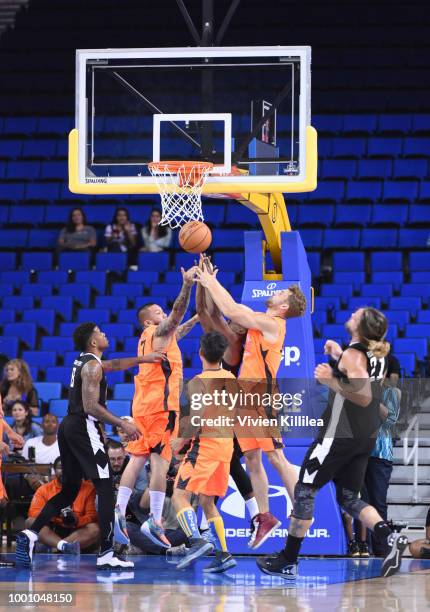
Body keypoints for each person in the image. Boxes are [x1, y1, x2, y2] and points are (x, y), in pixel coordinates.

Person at [257, 307, 409, 581]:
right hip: (364, 436)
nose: (352, 313)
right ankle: (388, 537)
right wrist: (339, 357)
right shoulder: (374, 356)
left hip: (339, 434)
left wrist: (331, 380)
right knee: (349, 497)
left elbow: (363, 396)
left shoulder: (356, 355)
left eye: (356, 314)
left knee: (304, 488)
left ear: (361, 327)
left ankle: (288, 559)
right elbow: (363, 379)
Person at [15, 321, 165, 569]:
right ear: (94, 341)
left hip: (70, 426)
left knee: (69, 490)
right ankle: (107, 553)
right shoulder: (92, 366)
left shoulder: (85, 361)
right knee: (105, 488)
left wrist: (144, 359)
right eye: (100, 332)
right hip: (84, 425)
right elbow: (91, 406)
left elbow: (112, 365)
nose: (105, 333)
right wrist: (122, 423)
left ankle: (30, 535)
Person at [195, 265, 306, 548]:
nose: (275, 291)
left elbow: (231, 310)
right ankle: (265, 517)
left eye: (280, 291)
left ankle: (301, 509)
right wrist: (209, 285)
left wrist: (210, 281)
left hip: (262, 397)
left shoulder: (274, 324)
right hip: (244, 399)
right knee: (253, 459)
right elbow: (223, 313)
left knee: (276, 458)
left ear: (284, 306)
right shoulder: (261, 323)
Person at [115, 266, 197, 548]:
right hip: (162, 406)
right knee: (160, 462)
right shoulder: (158, 329)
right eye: (158, 311)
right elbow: (177, 315)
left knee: (136, 458)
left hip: (142, 405)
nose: (164, 313)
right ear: (148, 319)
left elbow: (179, 329)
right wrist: (187, 286)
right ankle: (155, 519)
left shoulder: (151, 338)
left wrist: (199, 317)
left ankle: (118, 511)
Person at [196, 255, 259, 540]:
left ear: (242, 327)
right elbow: (204, 310)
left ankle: (207, 522)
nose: (233, 318)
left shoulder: (234, 342)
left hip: (228, 406)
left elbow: (214, 312)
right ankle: (208, 522)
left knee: (228, 462)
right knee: (229, 463)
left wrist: (209, 280)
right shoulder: (225, 336)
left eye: (238, 319)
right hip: (221, 405)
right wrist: (203, 280)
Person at [171, 331, 237, 572]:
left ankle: (196, 541)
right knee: (208, 501)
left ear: (200, 353)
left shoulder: (198, 382)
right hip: (225, 448)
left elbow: (196, 418)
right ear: (223, 355)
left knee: (180, 496)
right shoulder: (232, 379)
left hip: (205, 447)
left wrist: (180, 441)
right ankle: (224, 554)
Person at [26, 457, 100, 554]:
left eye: (69, 468)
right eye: (60, 467)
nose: (64, 471)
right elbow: (33, 513)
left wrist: (77, 520)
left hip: (78, 531)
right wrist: (55, 515)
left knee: (95, 528)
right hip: (52, 530)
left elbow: (92, 516)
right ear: (54, 470)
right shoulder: (44, 489)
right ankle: (64, 546)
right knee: (30, 522)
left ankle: (59, 548)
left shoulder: (89, 488)